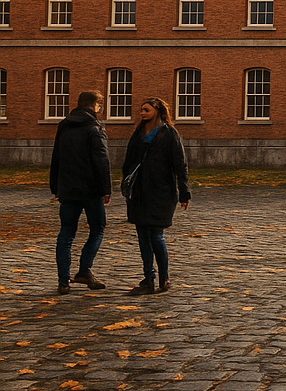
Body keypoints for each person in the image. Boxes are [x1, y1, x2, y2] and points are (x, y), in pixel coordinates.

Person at [122, 97, 191, 295]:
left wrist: (184, 192)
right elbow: (129, 160)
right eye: (141, 110)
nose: (142, 113)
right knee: (143, 236)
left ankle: (164, 276)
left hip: (161, 192)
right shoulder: (138, 133)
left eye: (146, 110)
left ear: (157, 110)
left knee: (156, 235)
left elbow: (180, 164)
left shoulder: (169, 134)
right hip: (138, 193)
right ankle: (148, 278)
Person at [49, 90, 112, 294]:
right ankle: (84, 270)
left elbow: (56, 157)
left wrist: (55, 185)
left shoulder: (64, 126)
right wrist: (106, 188)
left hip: (67, 187)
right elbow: (101, 160)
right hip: (90, 189)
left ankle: (62, 281)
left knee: (66, 233)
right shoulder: (94, 127)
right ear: (95, 105)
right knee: (98, 228)